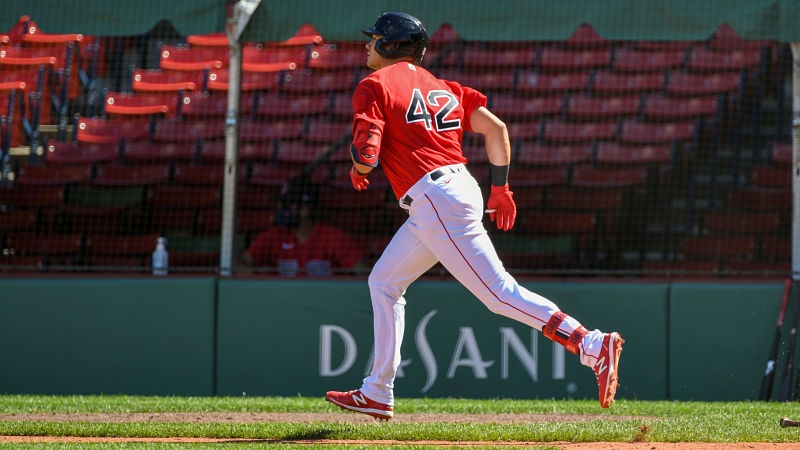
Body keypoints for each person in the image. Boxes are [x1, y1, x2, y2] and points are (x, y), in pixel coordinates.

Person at [325, 12, 625, 419]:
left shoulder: (374, 84)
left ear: (390, 46)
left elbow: (366, 149)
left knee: (499, 294)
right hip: (454, 189)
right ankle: (377, 391)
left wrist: (360, 170)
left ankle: (590, 344)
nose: (367, 44)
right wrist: (501, 189)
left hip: (434, 197)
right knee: (383, 281)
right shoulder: (445, 88)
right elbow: (496, 128)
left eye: (374, 37)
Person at [240, 177, 365, 276]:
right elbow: (241, 262)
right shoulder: (275, 236)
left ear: (304, 210)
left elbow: (362, 271)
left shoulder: (331, 237)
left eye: (286, 205)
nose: (280, 209)